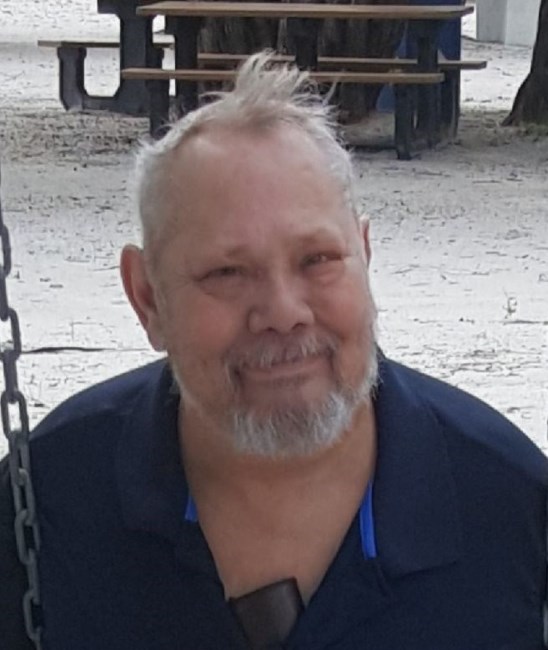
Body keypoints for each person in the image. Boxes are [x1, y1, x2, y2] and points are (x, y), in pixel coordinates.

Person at [1, 52, 547, 650]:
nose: (283, 313)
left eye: (318, 260)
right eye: (227, 272)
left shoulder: (509, 505)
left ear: (364, 256)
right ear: (147, 298)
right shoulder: (52, 498)